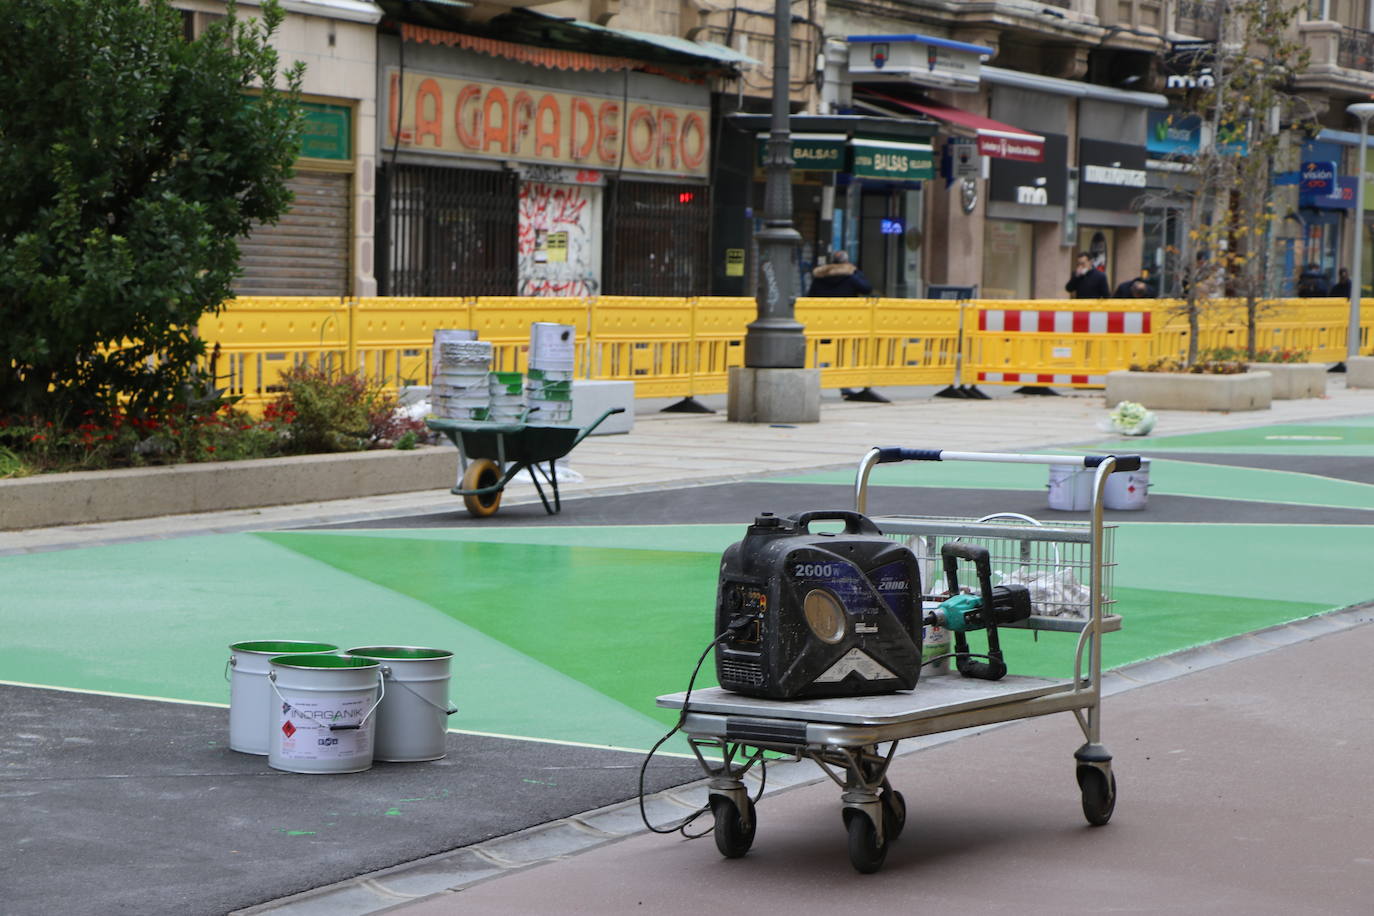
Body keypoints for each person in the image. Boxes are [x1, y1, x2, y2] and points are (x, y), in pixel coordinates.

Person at [806, 250, 873, 297]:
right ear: (846, 261)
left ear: (832, 260)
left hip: (822, 314)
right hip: (848, 313)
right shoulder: (852, 276)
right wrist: (856, 272)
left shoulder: (820, 276)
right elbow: (867, 289)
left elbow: (810, 295)